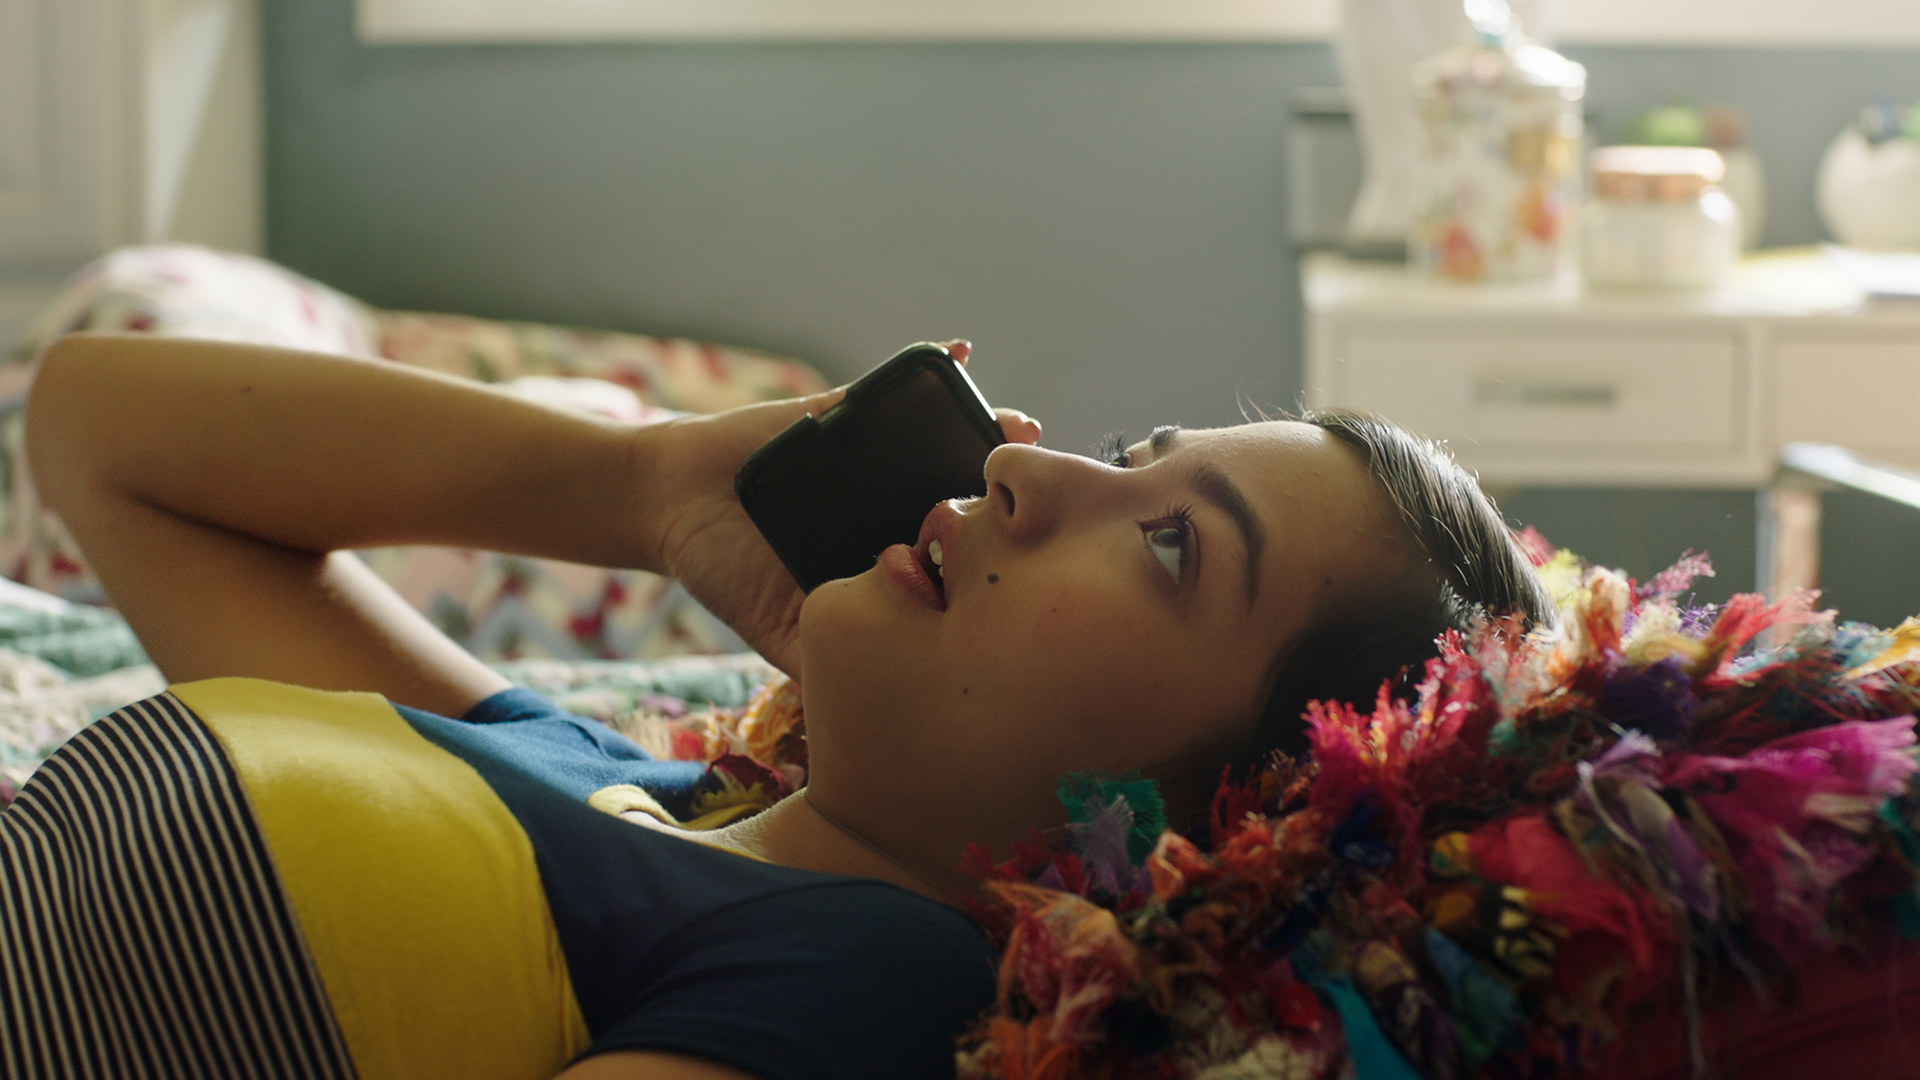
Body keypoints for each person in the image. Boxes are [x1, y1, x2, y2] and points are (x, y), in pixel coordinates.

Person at [5, 332, 1553, 1080]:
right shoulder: (600, 781)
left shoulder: (871, 978)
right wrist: (639, 487)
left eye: (1169, 546)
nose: (1026, 467)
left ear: (1237, 837)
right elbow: (94, 430)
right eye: (1125, 456)